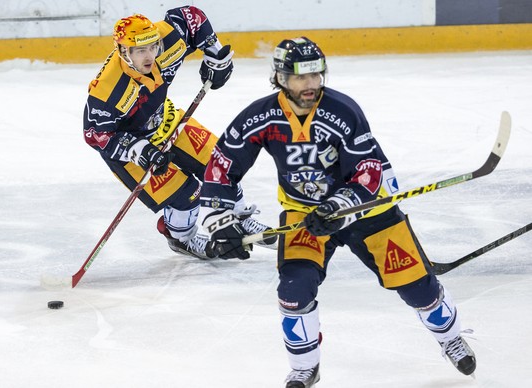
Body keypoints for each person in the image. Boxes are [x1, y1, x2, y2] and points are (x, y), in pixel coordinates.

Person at [199, 37, 476, 387]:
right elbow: (222, 165)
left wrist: (340, 205)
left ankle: (449, 337)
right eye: (301, 77)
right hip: (303, 214)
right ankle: (304, 367)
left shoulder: (343, 111)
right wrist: (220, 220)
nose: (311, 84)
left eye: (316, 74)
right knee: (293, 291)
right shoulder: (261, 117)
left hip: (368, 210)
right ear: (280, 77)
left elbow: (369, 170)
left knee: (418, 289)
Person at [82, 7, 275, 260]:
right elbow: (95, 134)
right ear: (123, 51)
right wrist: (142, 151)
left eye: (152, 46)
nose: (150, 55)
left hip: (165, 120)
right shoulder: (108, 90)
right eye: (140, 50)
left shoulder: (166, 41)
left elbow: (192, 18)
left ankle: (238, 217)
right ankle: (181, 238)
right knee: (188, 195)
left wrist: (215, 55)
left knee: (221, 164)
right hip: (131, 147)